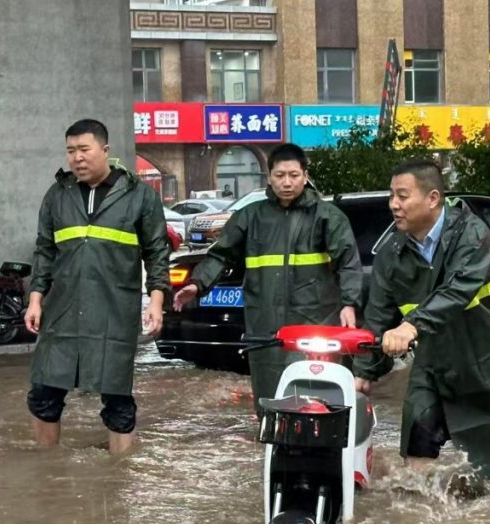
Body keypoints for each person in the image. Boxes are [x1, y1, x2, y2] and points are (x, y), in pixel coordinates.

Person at [354, 159, 490, 485]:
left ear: (433, 198)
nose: (393, 205)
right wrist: (364, 372)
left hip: (489, 362)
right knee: (416, 451)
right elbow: (379, 317)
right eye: (391, 196)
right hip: (434, 364)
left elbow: (456, 291)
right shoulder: (391, 254)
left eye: (402, 196)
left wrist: (409, 327)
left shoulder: (473, 236)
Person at [173, 143, 363, 411]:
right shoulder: (251, 217)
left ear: (305, 175)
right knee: (270, 400)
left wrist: (349, 303)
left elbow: (349, 263)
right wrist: (197, 284)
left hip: (314, 321)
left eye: (294, 175)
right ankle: (271, 446)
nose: (287, 182)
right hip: (264, 326)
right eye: (280, 175)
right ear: (269, 177)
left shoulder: (328, 218)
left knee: (317, 400)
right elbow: (220, 255)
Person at [24, 119, 170, 454]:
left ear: (105, 150)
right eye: (71, 151)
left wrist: (156, 301)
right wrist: (35, 300)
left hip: (114, 314)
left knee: (118, 402)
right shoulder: (57, 196)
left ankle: (120, 478)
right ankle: (48, 471)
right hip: (61, 313)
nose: (77, 158)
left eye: (84, 150)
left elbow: (157, 252)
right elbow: (45, 250)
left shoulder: (138, 197)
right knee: (44, 394)